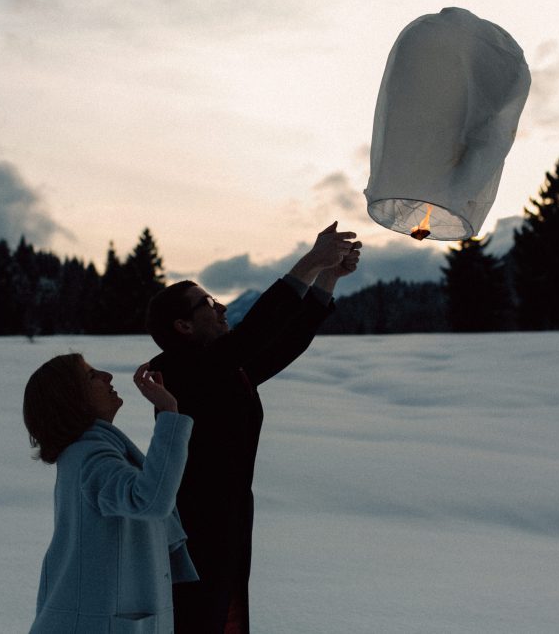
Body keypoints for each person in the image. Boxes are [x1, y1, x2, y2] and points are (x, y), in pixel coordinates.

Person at [144, 222, 361, 633]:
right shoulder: (184, 373)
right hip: (195, 538)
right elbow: (255, 333)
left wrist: (327, 279)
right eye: (207, 303)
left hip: (227, 529)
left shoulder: (220, 370)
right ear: (183, 327)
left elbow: (281, 344)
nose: (221, 307)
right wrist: (311, 262)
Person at [23, 353, 199, 633]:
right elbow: (150, 499)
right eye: (92, 376)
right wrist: (169, 413)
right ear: (71, 398)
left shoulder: (88, 451)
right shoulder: (91, 456)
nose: (107, 376)